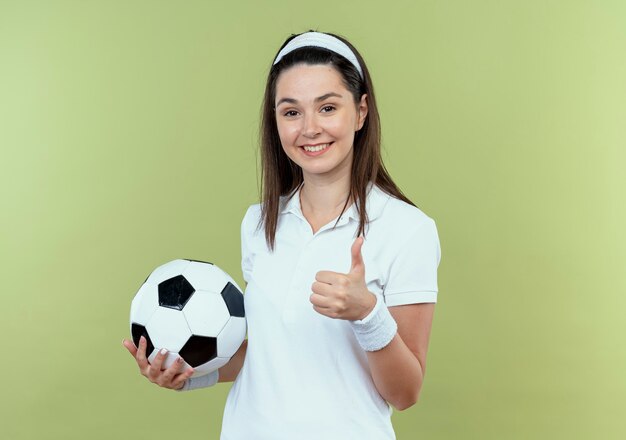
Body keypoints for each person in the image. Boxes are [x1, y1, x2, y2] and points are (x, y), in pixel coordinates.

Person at [123, 30, 441, 439]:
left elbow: (406, 392)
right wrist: (188, 374)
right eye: (291, 112)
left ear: (361, 112)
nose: (309, 128)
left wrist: (367, 314)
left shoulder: (408, 230)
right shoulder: (259, 223)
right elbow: (269, 357)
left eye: (327, 107)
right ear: (275, 122)